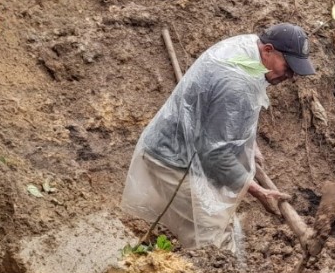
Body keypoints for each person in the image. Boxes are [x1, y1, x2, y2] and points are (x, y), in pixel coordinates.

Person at [121, 23, 316, 251]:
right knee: (213, 236)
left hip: (177, 146)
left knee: (213, 223)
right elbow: (215, 154)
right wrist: (258, 191)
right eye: (289, 66)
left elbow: (222, 116)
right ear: (268, 50)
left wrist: (248, 144)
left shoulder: (246, 48)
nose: (291, 75)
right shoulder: (237, 84)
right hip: (174, 161)